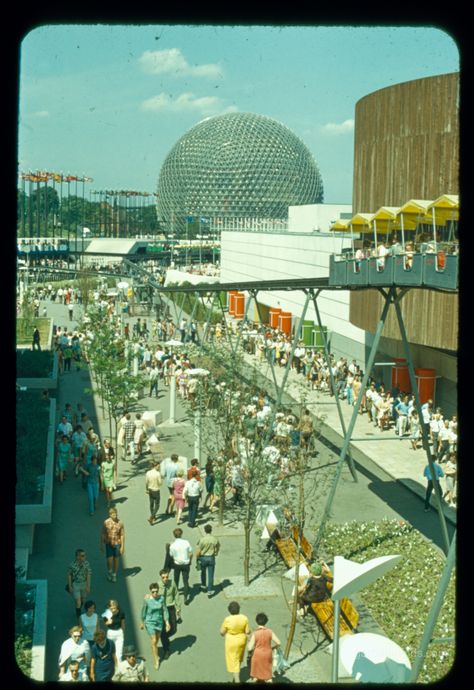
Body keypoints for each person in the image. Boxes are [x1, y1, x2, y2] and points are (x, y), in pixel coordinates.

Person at [140, 582, 171, 670]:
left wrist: (167, 622)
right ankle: (156, 660)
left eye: (156, 591)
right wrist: (142, 622)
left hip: (159, 622)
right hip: (150, 622)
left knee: (156, 641)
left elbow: (164, 610)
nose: (155, 593)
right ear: (150, 591)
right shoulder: (147, 600)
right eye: (153, 592)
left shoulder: (161, 598)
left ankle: (154, 650)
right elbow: (143, 611)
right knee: (153, 641)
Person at [219, 601, 251, 684]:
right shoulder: (244, 618)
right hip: (241, 640)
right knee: (238, 658)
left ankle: (237, 680)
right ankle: (235, 675)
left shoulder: (227, 619)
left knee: (233, 660)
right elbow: (247, 632)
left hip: (231, 641)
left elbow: (222, 632)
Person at [248, 612, 281, 683]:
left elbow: (249, 648)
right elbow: (278, 642)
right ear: (266, 621)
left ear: (256, 621)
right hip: (267, 653)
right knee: (268, 675)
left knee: (256, 676)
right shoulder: (270, 631)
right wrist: (273, 647)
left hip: (257, 654)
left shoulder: (255, 633)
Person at [156, 569, 181, 661]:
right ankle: (166, 649)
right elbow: (154, 597)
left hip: (170, 608)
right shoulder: (157, 586)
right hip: (162, 610)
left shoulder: (172, 583)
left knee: (174, 629)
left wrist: (178, 608)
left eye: (167, 577)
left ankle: (165, 637)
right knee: (163, 631)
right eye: (163, 577)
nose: (165, 579)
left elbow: (176, 595)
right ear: (160, 577)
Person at [169, 527, 193, 605]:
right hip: (186, 564)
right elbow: (191, 553)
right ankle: (186, 597)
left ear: (174, 535)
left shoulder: (172, 545)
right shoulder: (186, 542)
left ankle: (175, 594)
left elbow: (171, 555)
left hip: (177, 564)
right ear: (181, 534)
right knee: (185, 581)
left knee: (176, 580)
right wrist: (190, 561)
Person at [195, 523, 220, 597]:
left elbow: (198, 550)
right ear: (211, 530)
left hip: (203, 558)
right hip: (211, 558)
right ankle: (210, 590)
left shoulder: (202, 540)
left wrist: (197, 558)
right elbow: (218, 546)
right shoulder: (215, 539)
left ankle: (203, 585)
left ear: (205, 531)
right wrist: (216, 552)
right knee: (211, 574)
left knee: (203, 572)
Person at [66, 549, 92, 620]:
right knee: (78, 601)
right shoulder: (72, 565)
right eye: (82, 556)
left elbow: (88, 575)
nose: (84, 557)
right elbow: (69, 575)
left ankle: (78, 607)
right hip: (76, 584)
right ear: (78, 556)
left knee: (83, 600)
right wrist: (70, 586)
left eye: (84, 555)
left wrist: (88, 586)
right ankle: (78, 615)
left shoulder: (86, 564)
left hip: (84, 584)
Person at [101, 507, 125, 582]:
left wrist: (122, 547)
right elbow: (103, 533)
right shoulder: (106, 522)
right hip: (108, 543)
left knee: (116, 560)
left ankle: (114, 574)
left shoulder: (120, 523)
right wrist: (101, 545)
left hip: (117, 544)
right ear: (110, 515)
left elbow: (122, 535)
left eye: (116, 513)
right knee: (109, 560)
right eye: (113, 514)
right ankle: (110, 571)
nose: (115, 515)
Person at [102, 599, 126, 664]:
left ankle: (119, 668)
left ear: (117, 606)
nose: (113, 610)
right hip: (110, 633)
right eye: (111, 608)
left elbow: (123, 624)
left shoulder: (121, 613)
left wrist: (122, 633)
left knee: (119, 653)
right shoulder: (106, 614)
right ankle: (111, 666)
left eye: (114, 608)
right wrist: (108, 622)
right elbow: (105, 623)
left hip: (119, 633)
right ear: (109, 607)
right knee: (109, 651)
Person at [145, 459, 163, 525]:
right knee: (157, 505)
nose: (159, 468)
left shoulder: (148, 473)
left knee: (151, 504)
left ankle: (153, 516)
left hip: (150, 489)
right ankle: (152, 517)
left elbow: (146, 482)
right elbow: (160, 483)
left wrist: (146, 489)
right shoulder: (158, 474)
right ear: (155, 466)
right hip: (156, 490)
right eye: (158, 466)